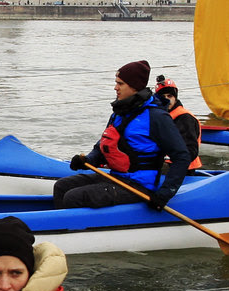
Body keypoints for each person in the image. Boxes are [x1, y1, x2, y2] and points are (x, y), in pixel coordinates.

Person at [49, 60, 190, 209]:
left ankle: (75, 229)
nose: (115, 87)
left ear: (134, 86)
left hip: (139, 186)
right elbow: (103, 145)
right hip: (118, 178)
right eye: (116, 82)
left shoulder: (157, 117)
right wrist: (87, 160)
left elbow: (182, 156)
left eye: (120, 84)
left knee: (74, 197)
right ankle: (60, 225)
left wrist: (164, 194)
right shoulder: (120, 112)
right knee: (61, 186)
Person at [155, 79, 203, 170]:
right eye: (163, 97)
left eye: (169, 96)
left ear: (175, 98)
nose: (166, 100)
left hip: (183, 169)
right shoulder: (160, 115)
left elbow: (191, 150)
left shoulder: (185, 118)